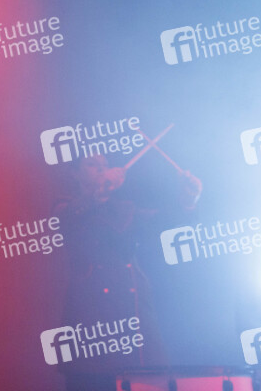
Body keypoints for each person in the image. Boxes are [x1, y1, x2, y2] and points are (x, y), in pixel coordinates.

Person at [54, 153, 202, 391]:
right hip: (92, 319)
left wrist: (187, 199)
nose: (101, 170)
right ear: (75, 173)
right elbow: (71, 217)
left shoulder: (123, 208)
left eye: (105, 165)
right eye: (92, 165)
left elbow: (161, 221)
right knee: (92, 380)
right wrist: (101, 187)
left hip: (134, 313)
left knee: (145, 378)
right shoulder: (65, 207)